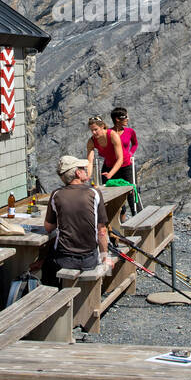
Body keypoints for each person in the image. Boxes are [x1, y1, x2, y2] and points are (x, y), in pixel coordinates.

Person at [41, 156, 113, 285]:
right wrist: (105, 257)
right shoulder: (94, 193)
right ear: (77, 173)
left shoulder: (56, 194)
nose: (86, 170)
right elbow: (102, 231)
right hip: (89, 259)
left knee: (44, 263)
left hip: (64, 258)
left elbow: (48, 227)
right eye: (83, 168)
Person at [110, 106, 139, 217]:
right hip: (113, 166)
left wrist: (130, 153)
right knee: (116, 191)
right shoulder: (109, 133)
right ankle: (121, 216)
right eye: (125, 117)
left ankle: (136, 214)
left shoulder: (130, 131)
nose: (128, 119)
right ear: (117, 119)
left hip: (127, 165)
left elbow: (135, 144)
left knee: (131, 189)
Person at [85, 115, 125, 189]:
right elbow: (90, 162)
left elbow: (120, 159)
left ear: (102, 126)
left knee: (130, 195)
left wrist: (110, 174)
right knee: (105, 193)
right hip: (108, 166)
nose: (93, 132)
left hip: (124, 166)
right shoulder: (91, 142)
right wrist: (87, 176)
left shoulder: (113, 135)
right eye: (92, 130)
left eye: (96, 129)